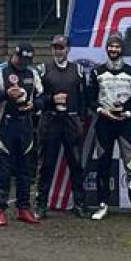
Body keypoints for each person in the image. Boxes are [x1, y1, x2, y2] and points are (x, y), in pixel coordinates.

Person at [0, 43, 43, 226]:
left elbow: (42, 96)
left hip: (25, 124)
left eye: (27, 60)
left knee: (25, 170)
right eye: (20, 59)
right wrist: (6, 94)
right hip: (4, 125)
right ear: (13, 55)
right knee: (3, 169)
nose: (22, 63)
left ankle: (23, 208)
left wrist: (34, 105)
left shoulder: (32, 73)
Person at [87, 34, 131, 220]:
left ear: (122, 49)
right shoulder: (97, 72)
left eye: (117, 46)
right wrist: (101, 111)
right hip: (104, 123)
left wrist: (128, 113)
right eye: (111, 46)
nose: (113, 49)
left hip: (125, 124)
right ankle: (103, 205)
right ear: (107, 48)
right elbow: (89, 99)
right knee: (103, 164)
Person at [35, 35, 91, 218]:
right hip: (50, 121)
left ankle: (80, 204)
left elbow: (83, 98)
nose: (58, 51)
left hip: (71, 121)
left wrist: (81, 119)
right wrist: (51, 99)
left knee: (76, 165)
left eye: (61, 48)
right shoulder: (43, 70)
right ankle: (41, 205)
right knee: (46, 165)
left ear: (68, 49)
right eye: (55, 48)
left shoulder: (78, 70)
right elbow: (37, 99)